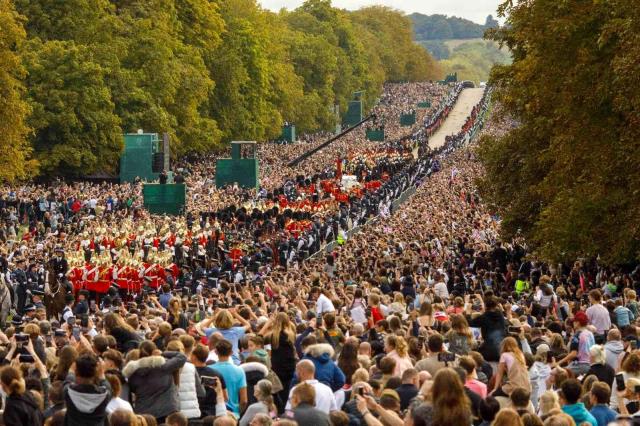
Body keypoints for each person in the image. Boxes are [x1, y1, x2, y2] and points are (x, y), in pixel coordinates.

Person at [123, 340, 187, 421]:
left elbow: (132, 389)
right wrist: (162, 353)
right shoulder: (163, 366)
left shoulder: (132, 372)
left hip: (144, 413)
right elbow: (182, 357)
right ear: (155, 351)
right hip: (166, 410)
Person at [63, 353, 112, 426]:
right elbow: (106, 386)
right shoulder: (105, 394)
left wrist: (71, 372)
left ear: (76, 371)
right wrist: (101, 374)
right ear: (96, 373)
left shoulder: (68, 392)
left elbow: (68, 381)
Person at [212, 339, 248, 417]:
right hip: (233, 414)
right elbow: (244, 400)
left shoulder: (210, 369)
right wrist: (237, 413)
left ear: (216, 352)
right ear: (231, 353)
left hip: (214, 412)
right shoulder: (239, 370)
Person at [191, 343, 228, 417]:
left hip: (195, 412)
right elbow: (225, 397)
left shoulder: (189, 373)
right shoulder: (216, 374)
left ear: (194, 357)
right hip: (213, 413)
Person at [558, 311, 595, 377]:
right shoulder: (590, 334)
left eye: (574, 321)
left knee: (559, 374)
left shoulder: (577, 335)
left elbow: (574, 354)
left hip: (580, 365)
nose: (573, 323)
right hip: (591, 364)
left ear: (578, 323)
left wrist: (559, 362)